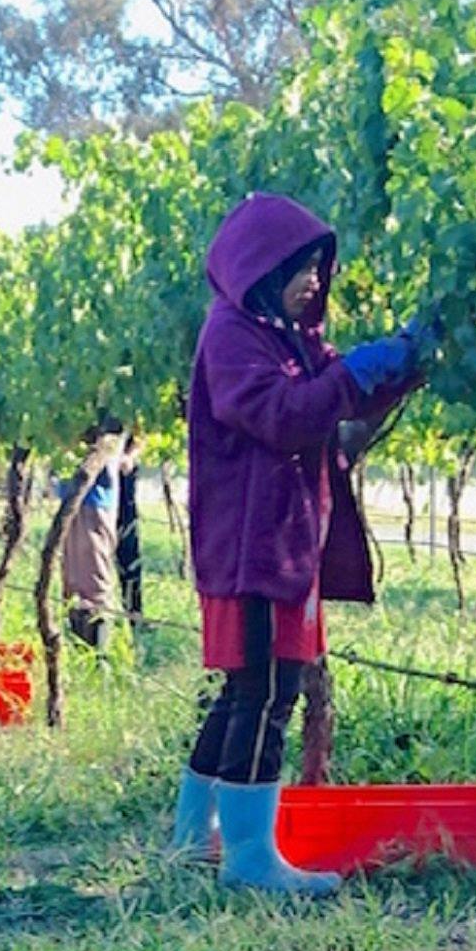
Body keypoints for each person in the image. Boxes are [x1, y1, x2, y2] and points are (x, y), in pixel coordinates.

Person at [171, 192, 429, 894]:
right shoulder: (232, 335)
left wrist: (402, 362)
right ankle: (251, 861)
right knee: (264, 691)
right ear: (263, 266)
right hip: (250, 546)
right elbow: (286, 416)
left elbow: (336, 389)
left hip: (275, 543)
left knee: (243, 692)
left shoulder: (281, 332)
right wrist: (354, 373)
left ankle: (192, 840)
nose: (317, 280)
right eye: (303, 267)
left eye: (320, 266)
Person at [60, 418, 125, 651]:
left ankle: (98, 655)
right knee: (71, 578)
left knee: (93, 577)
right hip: (69, 494)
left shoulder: (107, 401)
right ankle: (76, 647)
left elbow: (115, 433)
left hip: (96, 499)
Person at [115, 431, 145, 621]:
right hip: (94, 481)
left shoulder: (128, 405)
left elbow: (142, 434)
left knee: (128, 553)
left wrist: (129, 456)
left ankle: (134, 615)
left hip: (122, 477)